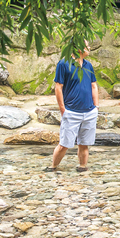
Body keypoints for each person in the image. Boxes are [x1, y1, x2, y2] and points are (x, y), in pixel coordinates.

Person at [48, 42, 98, 172]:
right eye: (87, 45)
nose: (90, 48)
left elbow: (94, 86)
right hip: (71, 111)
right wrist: (63, 109)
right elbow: (58, 87)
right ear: (78, 48)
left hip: (89, 112)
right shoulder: (64, 64)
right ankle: (53, 167)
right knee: (64, 144)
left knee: (84, 144)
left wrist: (96, 107)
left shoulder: (88, 65)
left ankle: (82, 168)